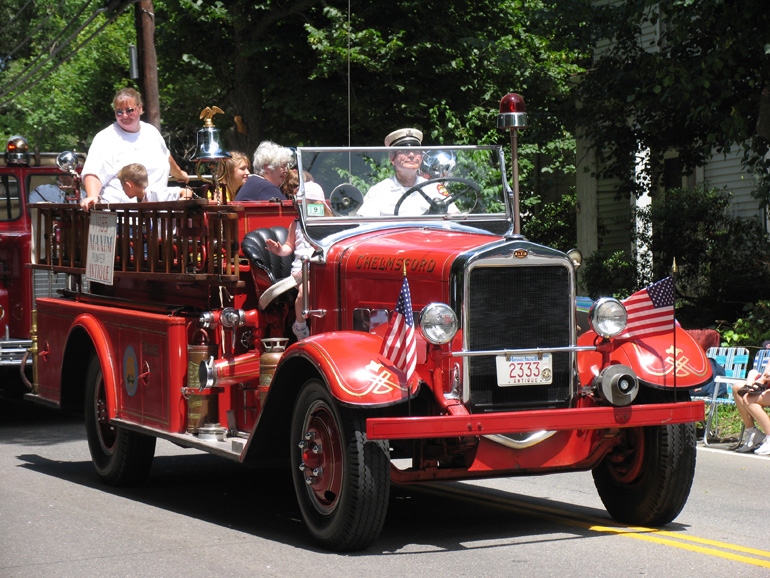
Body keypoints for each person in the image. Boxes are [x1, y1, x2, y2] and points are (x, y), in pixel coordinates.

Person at [79, 88, 189, 210]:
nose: (124, 116)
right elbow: (94, 172)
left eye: (129, 110)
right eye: (119, 112)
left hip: (157, 217)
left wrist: (180, 174)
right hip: (121, 217)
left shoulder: (152, 132)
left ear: (140, 108)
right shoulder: (105, 138)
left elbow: (166, 157)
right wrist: (92, 196)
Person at [263, 181, 325, 340]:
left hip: (323, 268)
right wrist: (279, 250)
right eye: (300, 205)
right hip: (302, 270)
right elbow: (288, 247)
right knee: (306, 291)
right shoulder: (296, 224)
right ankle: (300, 326)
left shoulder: (325, 224)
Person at [358, 128, 458, 216]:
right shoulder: (380, 191)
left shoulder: (433, 188)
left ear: (421, 158)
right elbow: (365, 226)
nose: (411, 155)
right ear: (393, 158)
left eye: (416, 151)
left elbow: (455, 217)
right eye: (405, 151)